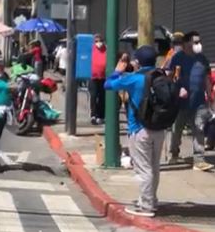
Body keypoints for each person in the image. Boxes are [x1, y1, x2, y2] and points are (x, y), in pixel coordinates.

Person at [105, 45, 163, 217]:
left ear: (137, 61)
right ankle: (151, 199)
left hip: (139, 128)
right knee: (154, 167)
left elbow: (108, 85)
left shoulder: (134, 79)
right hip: (159, 128)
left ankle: (146, 206)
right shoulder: (161, 75)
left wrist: (117, 70)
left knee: (143, 169)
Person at [168, 31, 213, 171]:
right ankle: (174, 154)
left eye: (199, 41)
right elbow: (170, 77)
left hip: (198, 102)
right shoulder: (177, 58)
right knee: (177, 130)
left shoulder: (202, 59)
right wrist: (172, 92)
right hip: (180, 102)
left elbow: (207, 79)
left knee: (198, 129)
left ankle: (199, 159)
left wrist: (209, 96)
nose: (198, 44)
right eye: (195, 42)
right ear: (186, 43)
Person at [90, 34, 107, 125]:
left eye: (99, 40)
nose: (98, 43)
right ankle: (93, 115)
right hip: (93, 77)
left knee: (102, 97)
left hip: (103, 77)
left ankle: (101, 116)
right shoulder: (91, 48)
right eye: (96, 41)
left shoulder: (107, 49)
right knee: (93, 96)